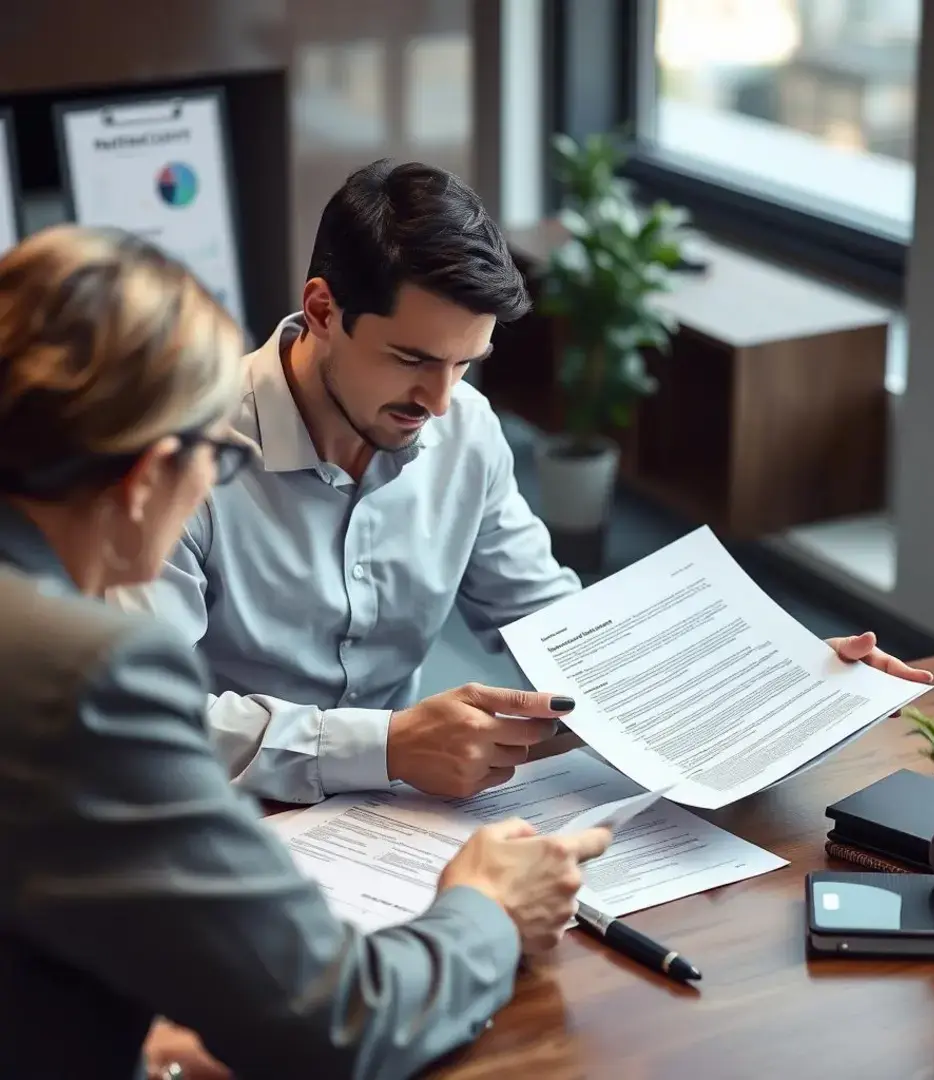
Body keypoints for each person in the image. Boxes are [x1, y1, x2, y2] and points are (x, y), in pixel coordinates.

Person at [116, 159, 934, 807]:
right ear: (324, 310)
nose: (439, 401)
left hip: (401, 816)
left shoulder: (464, 431)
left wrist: (768, 674)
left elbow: (562, 634)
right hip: (216, 819)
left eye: (466, 363)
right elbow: (139, 725)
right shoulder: (177, 457)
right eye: (412, 359)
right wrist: (389, 744)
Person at [0, 225, 611, 1080]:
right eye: (210, 458)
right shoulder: (82, 676)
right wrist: (490, 908)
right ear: (146, 477)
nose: (439, 398)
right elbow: (341, 1024)